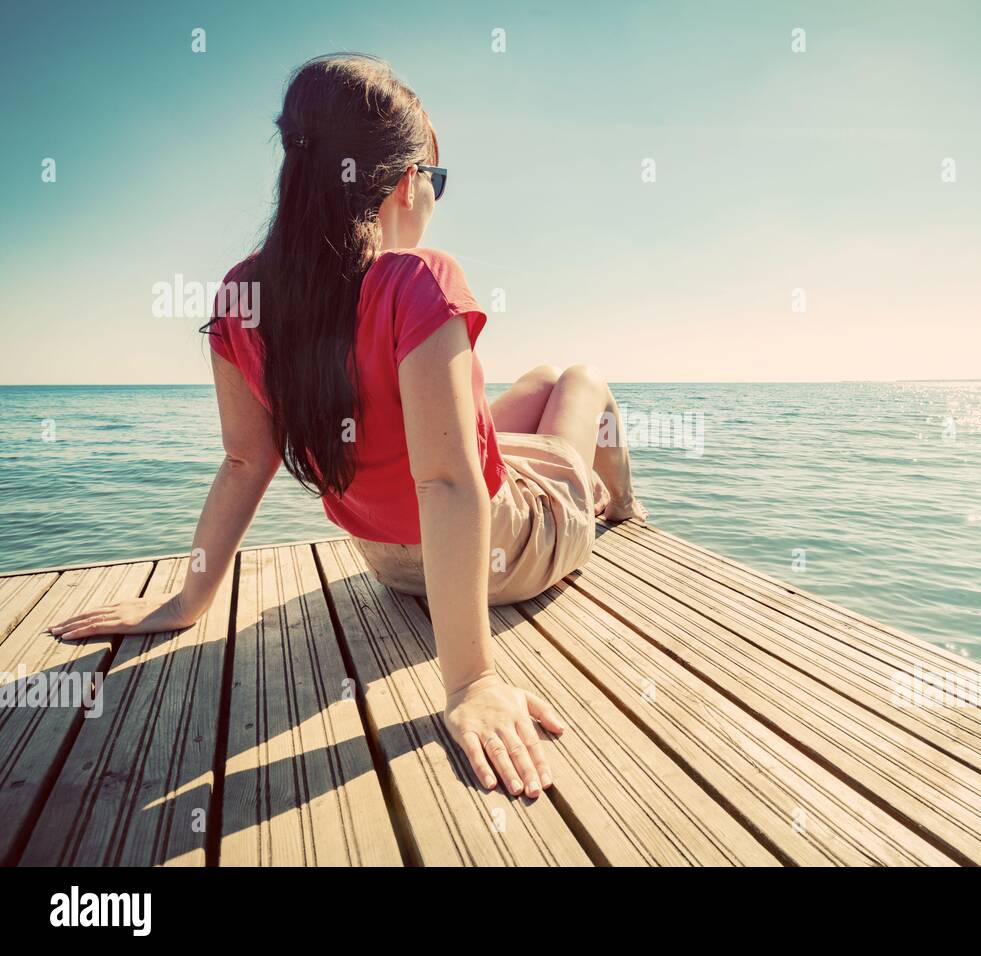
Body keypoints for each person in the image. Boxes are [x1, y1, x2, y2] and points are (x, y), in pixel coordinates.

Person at [49, 54, 649, 802]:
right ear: (407, 183)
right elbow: (448, 480)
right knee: (580, 382)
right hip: (502, 545)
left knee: (532, 383)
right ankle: (617, 508)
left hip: (390, 560)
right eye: (439, 177)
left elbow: (244, 462)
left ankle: (580, 479)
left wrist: (186, 601)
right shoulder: (418, 279)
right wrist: (472, 682)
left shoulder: (243, 293)